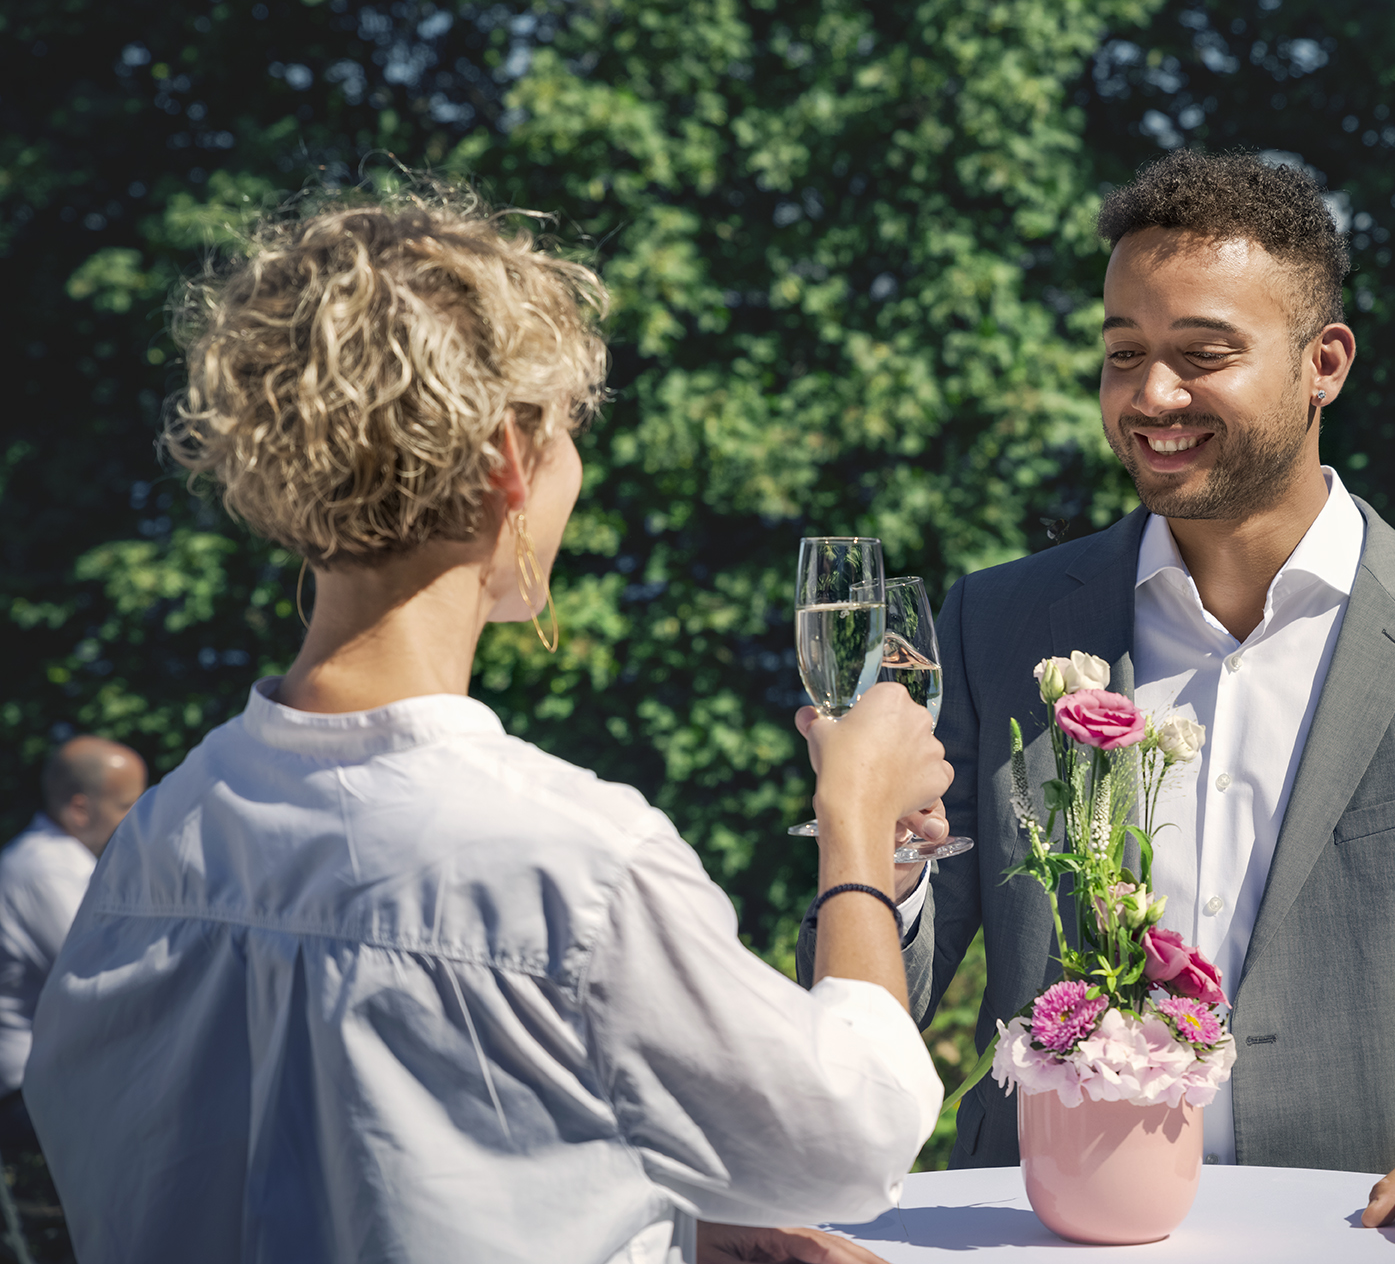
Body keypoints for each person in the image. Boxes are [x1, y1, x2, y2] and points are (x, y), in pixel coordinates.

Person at [25, 189, 949, 1264]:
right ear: (510, 456)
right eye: (565, 435)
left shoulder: (154, 843)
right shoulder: (577, 864)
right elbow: (854, 1136)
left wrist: (671, 1224)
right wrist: (854, 820)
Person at [807, 151, 1395, 1252]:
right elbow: (874, 1012)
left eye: (1202, 354)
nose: (1153, 397)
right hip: (1041, 1237)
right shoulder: (994, 625)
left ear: (1325, 363)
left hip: (1360, 1237)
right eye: (1124, 356)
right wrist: (885, 851)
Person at [0, 736, 146, 1144]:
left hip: (56, 1078)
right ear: (80, 808)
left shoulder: (65, 862)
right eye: (126, 805)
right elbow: (112, 978)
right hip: (26, 1090)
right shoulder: (45, 871)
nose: (139, 818)